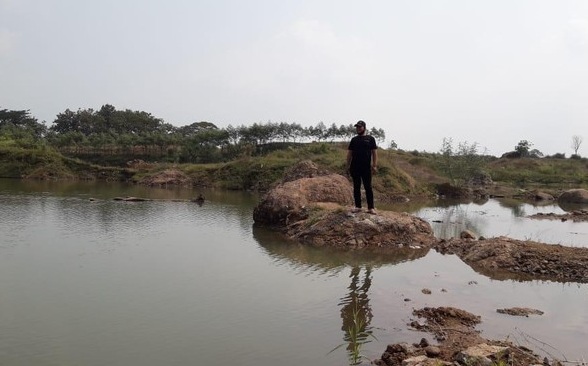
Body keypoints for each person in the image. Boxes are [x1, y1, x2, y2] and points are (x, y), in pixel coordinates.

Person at [346, 120, 378, 214]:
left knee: (368, 187)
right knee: (356, 187)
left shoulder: (370, 139)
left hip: (366, 167)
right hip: (355, 167)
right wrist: (347, 166)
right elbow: (349, 153)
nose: (358, 129)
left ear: (364, 127)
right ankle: (358, 207)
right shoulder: (354, 140)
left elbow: (374, 153)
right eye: (357, 127)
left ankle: (371, 208)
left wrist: (374, 165)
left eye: (360, 127)